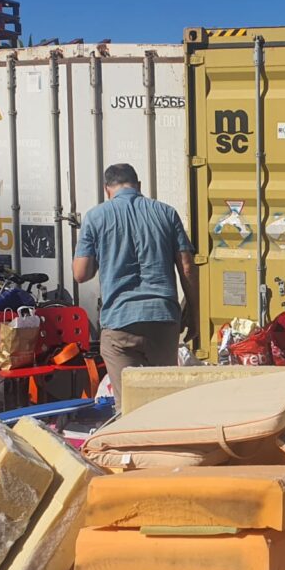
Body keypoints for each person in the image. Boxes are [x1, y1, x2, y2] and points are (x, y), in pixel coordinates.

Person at [73, 163, 195, 408]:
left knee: (128, 405)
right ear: (138, 186)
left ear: (107, 189)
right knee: (164, 403)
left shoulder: (96, 217)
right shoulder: (166, 213)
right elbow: (187, 268)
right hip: (162, 319)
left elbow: (81, 273)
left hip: (120, 323)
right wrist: (193, 311)